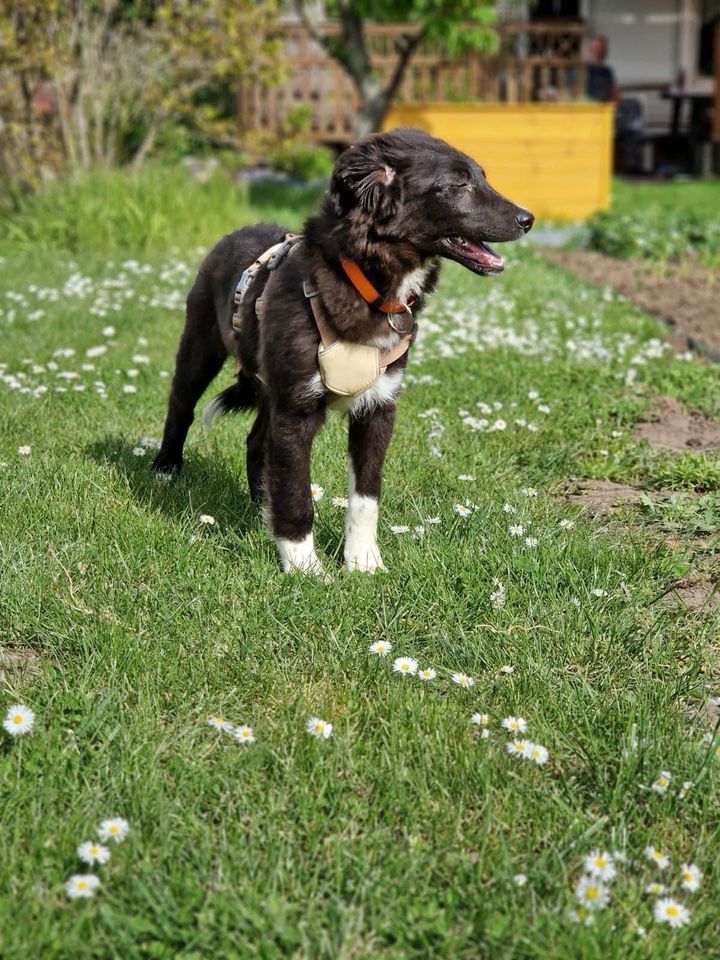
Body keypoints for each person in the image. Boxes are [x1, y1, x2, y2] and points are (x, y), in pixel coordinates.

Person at [585, 35, 619, 103]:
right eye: (596, 48)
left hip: (606, 107)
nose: (598, 51)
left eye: (601, 49)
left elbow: (614, 91)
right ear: (589, 50)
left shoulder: (607, 71)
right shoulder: (581, 71)